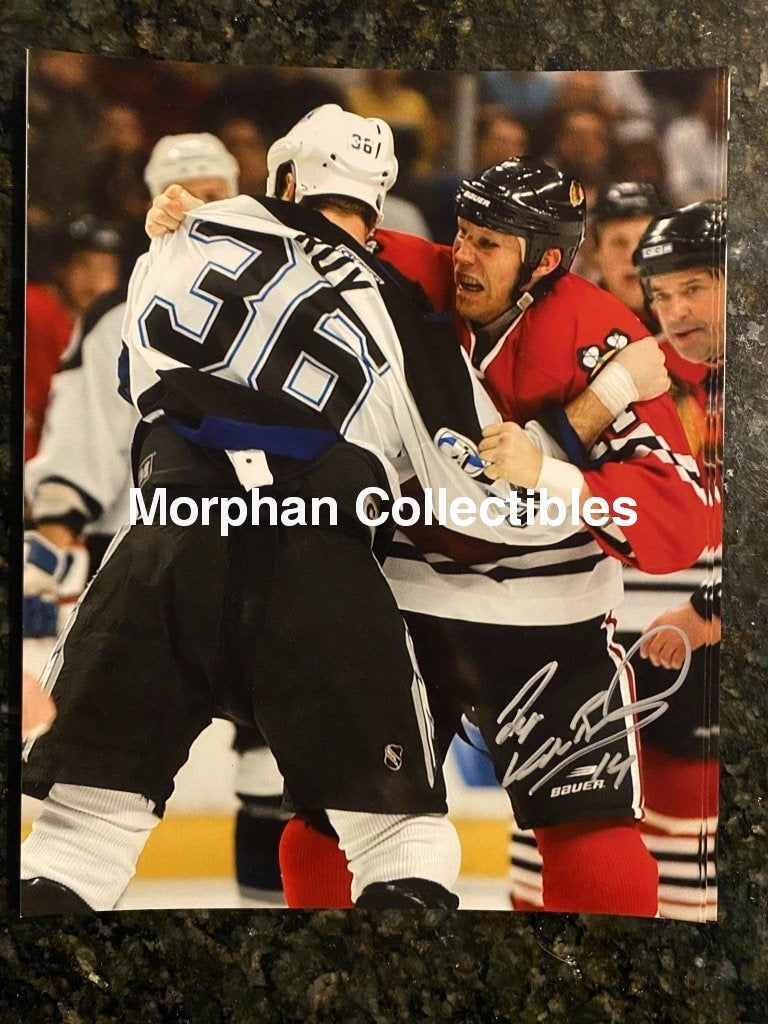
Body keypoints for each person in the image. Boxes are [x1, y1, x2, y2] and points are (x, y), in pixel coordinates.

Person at [21, 107, 562, 915]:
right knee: (400, 840)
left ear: (280, 179)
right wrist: (559, 468)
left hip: (165, 549)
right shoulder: (407, 311)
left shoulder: (176, 238)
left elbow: (136, 393)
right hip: (317, 572)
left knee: (82, 835)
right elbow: (473, 497)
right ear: (377, 209)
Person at [144, 156, 706, 917]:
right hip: (404, 613)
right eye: (462, 234)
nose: (463, 257)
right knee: (331, 825)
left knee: (594, 844)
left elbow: (678, 520)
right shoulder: (414, 275)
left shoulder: (598, 334)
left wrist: (554, 473)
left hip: (550, 626)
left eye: (489, 244)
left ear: (543, 260)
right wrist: (199, 225)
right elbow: (312, 229)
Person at [23, 133, 293, 904]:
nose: (204, 209)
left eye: (218, 192)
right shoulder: (125, 302)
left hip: (273, 554)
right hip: (153, 559)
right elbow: (82, 442)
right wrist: (63, 517)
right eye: (188, 194)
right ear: (155, 201)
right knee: (102, 786)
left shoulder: (287, 291)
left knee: (274, 769)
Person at [630, 200, 724, 920]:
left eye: (693, 287)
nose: (674, 310)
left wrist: (706, 610)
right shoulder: (683, 382)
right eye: (660, 295)